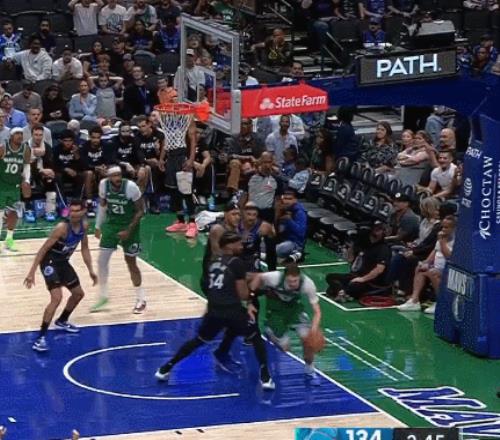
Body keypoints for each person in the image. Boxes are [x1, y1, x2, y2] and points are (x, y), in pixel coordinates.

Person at [155, 231, 275, 391]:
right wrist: (257, 294)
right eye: (238, 243)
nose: (241, 246)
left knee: (199, 340)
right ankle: (265, 377)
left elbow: (212, 287)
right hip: (232, 310)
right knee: (255, 337)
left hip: (214, 310)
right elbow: (243, 294)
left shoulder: (213, 262)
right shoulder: (236, 263)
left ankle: (165, 368)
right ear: (229, 246)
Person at [24, 200, 97, 352]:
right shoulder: (62, 228)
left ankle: (62, 320)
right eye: (72, 211)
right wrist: (31, 272)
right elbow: (43, 249)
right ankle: (40, 338)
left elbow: (85, 248)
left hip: (63, 262)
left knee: (78, 294)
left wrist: (91, 270)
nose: (73, 214)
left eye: (77, 211)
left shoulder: (84, 226)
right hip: (49, 262)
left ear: (83, 211)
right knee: (56, 298)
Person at [249, 264, 321, 384]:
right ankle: (270, 331)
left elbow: (317, 311)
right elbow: (258, 277)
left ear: (299, 277)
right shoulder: (275, 277)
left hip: (294, 310)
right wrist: (250, 299)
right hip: (276, 311)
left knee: (307, 341)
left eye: (295, 281)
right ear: (285, 276)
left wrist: (314, 330)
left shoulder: (308, 284)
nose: (292, 284)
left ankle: (310, 370)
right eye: (289, 281)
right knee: (285, 347)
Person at [92, 167, 147, 313]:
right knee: (101, 261)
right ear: (109, 177)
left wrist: (128, 230)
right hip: (112, 225)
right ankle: (103, 296)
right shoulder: (103, 185)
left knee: (131, 263)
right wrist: (97, 226)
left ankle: (141, 299)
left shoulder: (131, 187)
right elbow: (102, 206)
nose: (117, 178)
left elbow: (141, 211)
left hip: (130, 226)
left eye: (119, 175)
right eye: (114, 175)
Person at [326, 221, 392, 302]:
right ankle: (342, 292)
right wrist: (352, 247)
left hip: (370, 281)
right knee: (330, 277)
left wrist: (362, 279)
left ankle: (341, 291)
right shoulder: (363, 243)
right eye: (376, 230)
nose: (379, 232)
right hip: (355, 275)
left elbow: (379, 269)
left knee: (354, 286)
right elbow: (350, 260)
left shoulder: (383, 249)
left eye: (380, 230)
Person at [0, 127, 31, 252]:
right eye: (17, 134)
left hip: (15, 186)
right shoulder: (3, 148)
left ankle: (9, 240)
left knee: (14, 213)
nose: (20, 136)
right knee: (0, 213)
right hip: (2, 185)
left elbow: (27, 165)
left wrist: (26, 180)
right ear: (11, 136)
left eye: (21, 134)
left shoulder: (25, 149)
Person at [238, 202, 276, 273]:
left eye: (254, 215)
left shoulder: (264, 226)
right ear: (243, 213)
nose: (251, 218)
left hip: (253, 258)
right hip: (237, 258)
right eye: (248, 214)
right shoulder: (235, 224)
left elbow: (272, 240)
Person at [276, 189, 307, 262]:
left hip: (294, 242)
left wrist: (289, 220)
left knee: (279, 249)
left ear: (295, 200)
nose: (287, 201)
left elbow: (301, 233)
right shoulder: (282, 209)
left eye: (290, 199)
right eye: (285, 198)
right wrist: (277, 216)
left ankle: (298, 252)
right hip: (282, 239)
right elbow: (279, 230)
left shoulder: (300, 212)